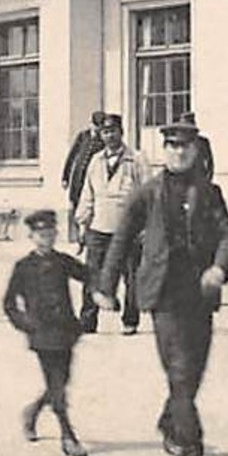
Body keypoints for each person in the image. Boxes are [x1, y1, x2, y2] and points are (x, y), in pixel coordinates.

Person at [94, 113, 228, 456]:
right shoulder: (149, 192)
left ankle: (170, 420)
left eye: (185, 145)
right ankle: (192, 443)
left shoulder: (208, 191)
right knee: (179, 368)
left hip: (199, 295)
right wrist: (106, 285)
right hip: (163, 295)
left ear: (195, 149)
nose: (178, 152)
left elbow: (227, 236)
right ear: (165, 149)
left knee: (195, 370)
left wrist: (219, 267)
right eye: (172, 145)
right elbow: (122, 238)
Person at [2, 208, 91, 456]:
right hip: (41, 335)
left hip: (66, 331)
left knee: (60, 382)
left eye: (51, 233)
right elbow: (9, 303)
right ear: (31, 236)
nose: (47, 238)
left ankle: (32, 412)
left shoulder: (63, 262)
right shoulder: (23, 267)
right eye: (41, 234)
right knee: (57, 386)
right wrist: (26, 324)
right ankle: (68, 436)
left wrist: (92, 305)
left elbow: (89, 277)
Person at [75, 113, 146, 335]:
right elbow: (87, 194)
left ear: (121, 132)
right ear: (101, 135)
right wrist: (82, 223)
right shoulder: (95, 161)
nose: (110, 136)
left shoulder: (136, 159)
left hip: (127, 230)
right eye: (105, 132)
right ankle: (88, 320)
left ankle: (130, 320)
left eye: (113, 131)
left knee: (131, 277)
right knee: (92, 275)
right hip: (99, 227)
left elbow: (147, 195)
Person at [62, 111, 107, 245]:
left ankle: (87, 238)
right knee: (75, 205)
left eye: (100, 127)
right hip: (77, 179)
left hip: (92, 180)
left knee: (89, 207)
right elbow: (71, 156)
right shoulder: (83, 136)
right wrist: (65, 176)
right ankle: (77, 238)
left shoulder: (103, 140)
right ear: (91, 124)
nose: (97, 129)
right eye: (95, 126)